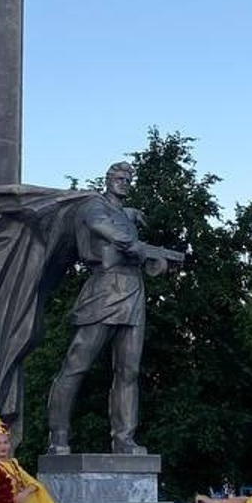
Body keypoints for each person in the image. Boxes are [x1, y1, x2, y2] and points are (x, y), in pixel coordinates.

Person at [44, 161, 183, 455]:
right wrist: (131, 241)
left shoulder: (125, 214)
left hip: (132, 291)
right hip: (104, 289)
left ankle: (124, 439)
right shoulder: (95, 205)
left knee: (128, 371)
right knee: (76, 365)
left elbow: (129, 241)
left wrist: (140, 243)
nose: (124, 183)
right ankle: (58, 436)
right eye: (119, 178)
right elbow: (99, 225)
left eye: (128, 180)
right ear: (108, 180)